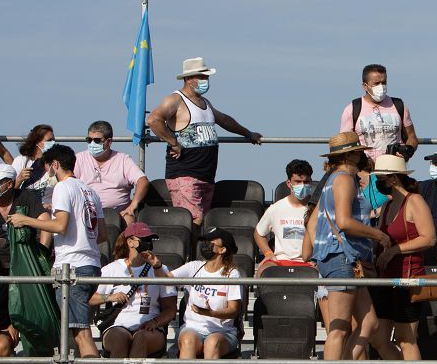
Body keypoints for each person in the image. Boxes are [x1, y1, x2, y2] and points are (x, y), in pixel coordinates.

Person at [7, 144, 108, 364]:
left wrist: (26, 220)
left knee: (81, 335)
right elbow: (104, 235)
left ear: (54, 165)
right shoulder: (90, 191)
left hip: (72, 269)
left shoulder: (64, 187)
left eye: (47, 168)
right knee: (66, 334)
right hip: (90, 265)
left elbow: (60, 227)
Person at [303, 133, 388, 364]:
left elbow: (315, 221)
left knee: (368, 324)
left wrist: (313, 250)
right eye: (360, 151)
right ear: (352, 154)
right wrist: (378, 235)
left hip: (347, 258)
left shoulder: (337, 179)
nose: (364, 155)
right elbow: (345, 222)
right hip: (342, 257)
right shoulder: (342, 179)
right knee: (339, 328)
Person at [147, 57, 263, 225]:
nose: (205, 81)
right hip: (185, 173)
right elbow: (153, 120)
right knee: (193, 220)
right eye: (201, 77)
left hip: (206, 175)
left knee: (202, 222)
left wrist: (248, 133)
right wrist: (173, 142)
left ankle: (197, 250)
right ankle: (188, 251)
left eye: (206, 77)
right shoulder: (175, 100)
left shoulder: (205, 102)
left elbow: (224, 120)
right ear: (188, 79)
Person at [370, 154, 437, 364]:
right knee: (380, 339)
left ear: (393, 178)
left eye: (381, 178)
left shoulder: (414, 201)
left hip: (408, 278)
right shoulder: (388, 205)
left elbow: (428, 238)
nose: (378, 182)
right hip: (387, 279)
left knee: (407, 339)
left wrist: (395, 250)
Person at [92, 223, 177, 364]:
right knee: (120, 337)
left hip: (151, 326)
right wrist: (110, 296)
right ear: (130, 242)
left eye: (150, 240)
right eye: (143, 239)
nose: (148, 243)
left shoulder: (161, 269)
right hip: (118, 324)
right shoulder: (113, 269)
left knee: (140, 337)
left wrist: (155, 322)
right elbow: (89, 299)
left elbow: (171, 309)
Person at [157, 227, 243, 364]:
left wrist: (211, 314)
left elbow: (234, 310)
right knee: (187, 339)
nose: (205, 246)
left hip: (222, 332)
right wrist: (157, 266)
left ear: (222, 249)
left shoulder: (232, 273)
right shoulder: (193, 267)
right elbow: (165, 280)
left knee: (212, 342)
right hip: (193, 329)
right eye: (204, 242)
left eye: (210, 243)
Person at [0, 164, 40, 364]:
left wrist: (15, 325)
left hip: (0, 331)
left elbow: (19, 305)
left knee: (1, 345)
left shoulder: (9, 281)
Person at [74, 121, 150, 225]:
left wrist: (133, 206)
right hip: (85, 213)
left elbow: (142, 181)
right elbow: (67, 182)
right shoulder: (79, 159)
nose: (92, 144)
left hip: (118, 214)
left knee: (129, 220)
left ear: (109, 141)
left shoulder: (123, 160)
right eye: (89, 140)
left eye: (96, 140)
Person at [340, 63, 419, 162]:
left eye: (384, 82)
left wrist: (408, 150)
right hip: (365, 169)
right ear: (365, 86)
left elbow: (412, 137)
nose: (381, 87)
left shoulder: (399, 105)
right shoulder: (352, 109)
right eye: (376, 83)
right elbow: (345, 144)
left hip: (395, 168)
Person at [255, 159, 315, 273]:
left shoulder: (317, 208)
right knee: (263, 271)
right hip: (279, 261)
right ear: (289, 183)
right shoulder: (275, 209)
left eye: (306, 182)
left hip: (308, 262)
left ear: (311, 182)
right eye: (297, 181)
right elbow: (259, 233)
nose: (302, 185)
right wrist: (268, 253)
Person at [12, 124, 57, 209]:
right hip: (27, 209)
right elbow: (9, 192)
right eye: (49, 140)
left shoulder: (56, 162)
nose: (53, 143)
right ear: (37, 142)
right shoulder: (22, 161)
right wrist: (19, 178)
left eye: (54, 140)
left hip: (49, 211)